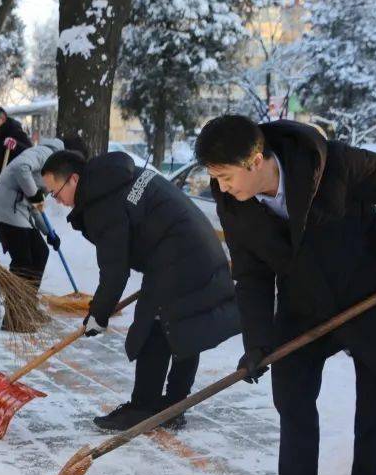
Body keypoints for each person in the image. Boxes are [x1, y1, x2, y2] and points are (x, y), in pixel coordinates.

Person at [194, 115, 376, 475]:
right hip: (304, 303)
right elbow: (251, 275)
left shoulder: (334, 165)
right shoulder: (234, 205)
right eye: (216, 179)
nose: (222, 187)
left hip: (370, 295)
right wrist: (258, 344)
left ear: (255, 161)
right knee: (292, 395)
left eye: (226, 176)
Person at [40, 149, 240, 432]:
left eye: (55, 192)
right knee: (184, 324)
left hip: (179, 256)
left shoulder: (102, 203)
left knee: (154, 326)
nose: (56, 200)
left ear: (73, 179)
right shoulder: (114, 179)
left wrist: (99, 314)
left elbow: (115, 268)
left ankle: (143, 408)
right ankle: (174, 406)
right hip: (198, 250)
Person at [0, 137, 66, 330]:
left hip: (18, 212)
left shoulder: (48, 171)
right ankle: (14, 317)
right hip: (7, 208)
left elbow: (35, 206)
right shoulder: (45, 153)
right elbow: (21, 168)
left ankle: (26, 307)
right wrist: (34, 194)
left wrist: (50, 233)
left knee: (41, 252)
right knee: (23, 261)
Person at [0, 107, 32, 179]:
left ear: (3, 119)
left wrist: (16, 145)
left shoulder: (15, 132)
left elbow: (30, 151)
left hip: (11, 178)